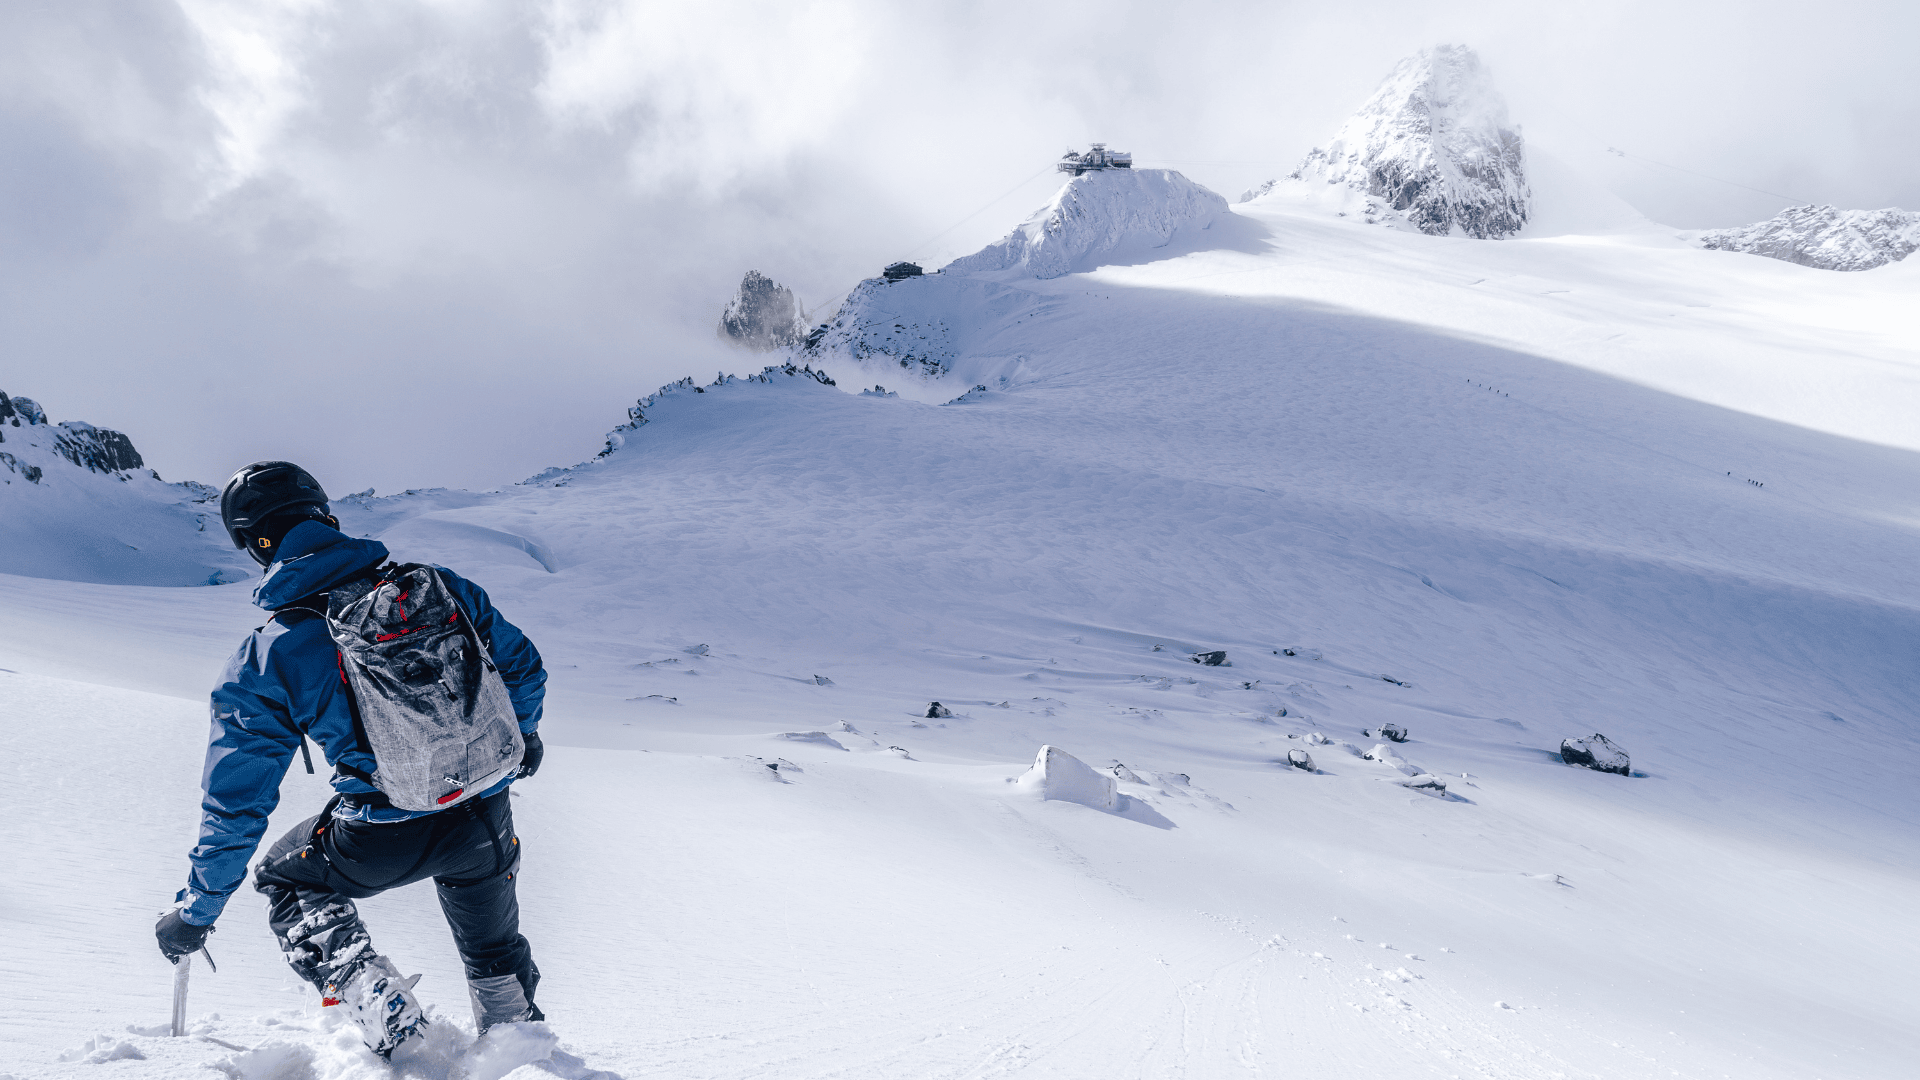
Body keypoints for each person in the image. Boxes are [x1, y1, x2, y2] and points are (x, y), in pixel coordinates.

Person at [153, 461, 548, 1056]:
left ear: (257, 544)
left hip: (380, 835)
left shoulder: (269, 653)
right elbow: (522, 667)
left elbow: (236, 801)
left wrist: (198, 911)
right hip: (483, 816)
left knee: (284, 875)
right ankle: (518, 1049)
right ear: (327, 519)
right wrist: (525, 736)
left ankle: (366, 986)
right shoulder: (439, 589)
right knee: (492, 948)